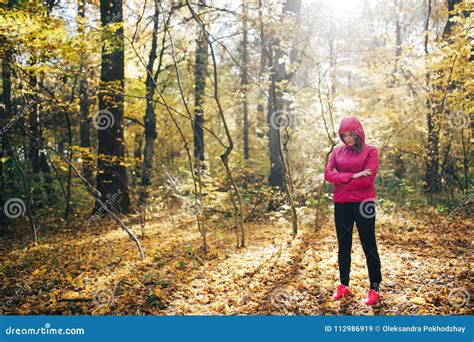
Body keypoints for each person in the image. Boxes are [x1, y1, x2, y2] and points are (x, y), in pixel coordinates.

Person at [324, 116, 382, 306]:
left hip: (363, 204)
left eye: (351, 134)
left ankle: (374, 287)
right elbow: (327, 175)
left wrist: (342, 182)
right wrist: (353, 175)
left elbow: (368, 179)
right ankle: (344, 284)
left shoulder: (371, 151)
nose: (348, 138)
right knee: (343, 244)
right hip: (342, 204)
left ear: (359, 133)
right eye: (345, 135)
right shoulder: (336, 151)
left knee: (368, 243)